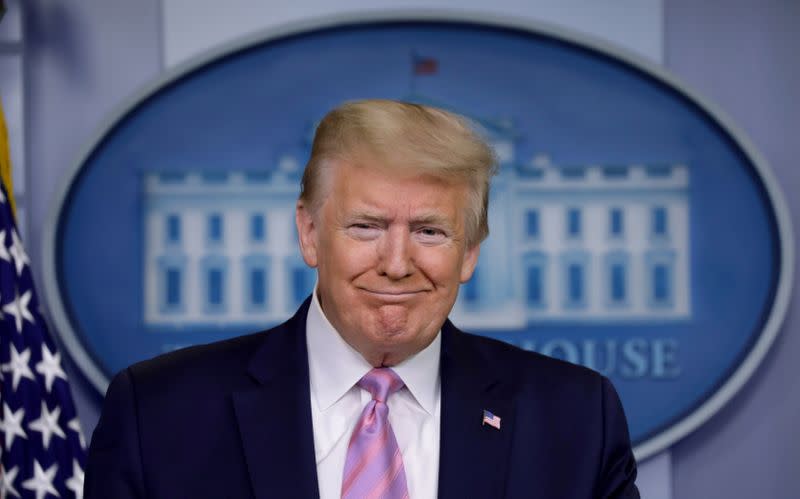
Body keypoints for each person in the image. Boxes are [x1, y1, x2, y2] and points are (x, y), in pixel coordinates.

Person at [85, 99, 639, 498]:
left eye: (429, 231)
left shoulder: (575, 418)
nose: (396, 264)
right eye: (366, 227)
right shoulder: (158, 415)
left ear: (469, 250)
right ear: (309, 233)